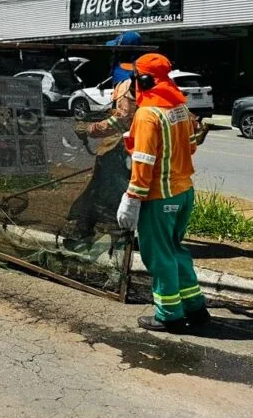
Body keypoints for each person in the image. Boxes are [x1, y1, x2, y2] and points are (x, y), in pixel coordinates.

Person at [116, 53, 210, 333]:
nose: (130, 84)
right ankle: (195, 307)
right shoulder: (180, 107)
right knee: (176, 250)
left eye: (133, 78)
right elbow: (191, 145)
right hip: (183, 193)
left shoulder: (147, 115)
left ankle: (169, 315)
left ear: (143, 80)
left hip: (160, 197)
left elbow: (143, 162)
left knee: (158, 256)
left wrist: (132, 199)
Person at [69, 63, 137, 237]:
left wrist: (90, 129)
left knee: (102, 189)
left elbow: (121, 120)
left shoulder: (129, 85)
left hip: (121, 149)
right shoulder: (157, 85)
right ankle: (89, 227)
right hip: (138, 149)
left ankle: (90, 229)